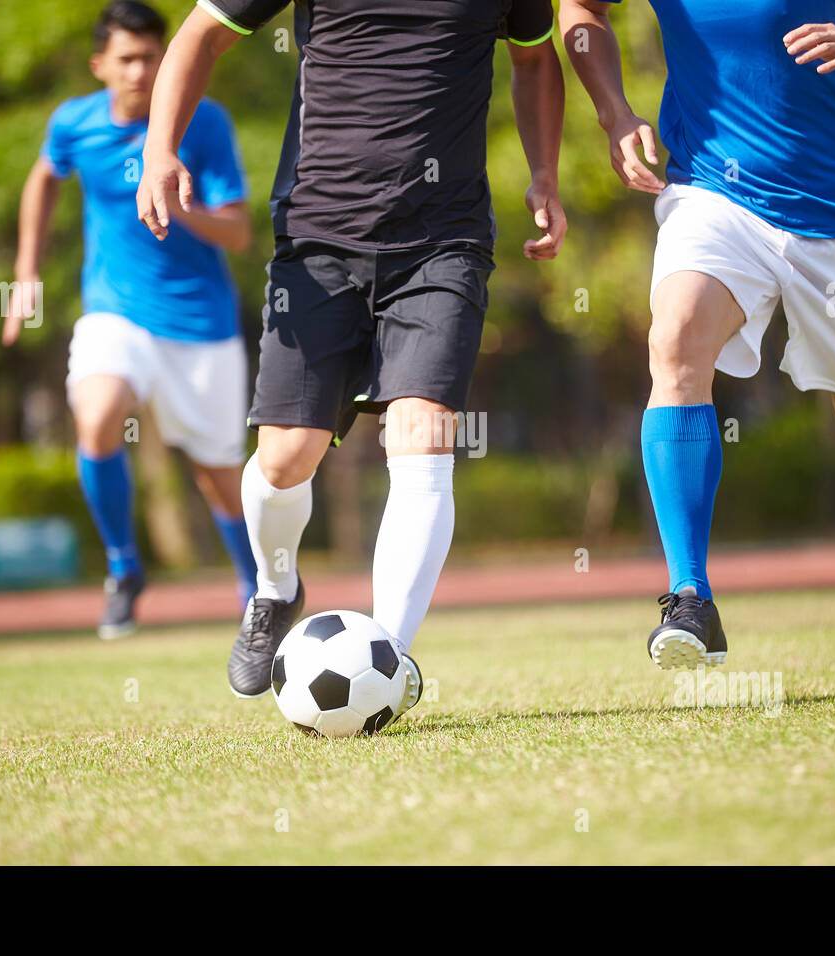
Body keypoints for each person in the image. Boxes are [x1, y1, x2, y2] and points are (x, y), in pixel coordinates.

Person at [137, 0, 567, 719]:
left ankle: (389, 659)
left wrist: (544, 173)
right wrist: (160, 148)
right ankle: (275, 590)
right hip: (317, 238)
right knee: (284, 459)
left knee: (423, 433)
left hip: (444, 241)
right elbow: (199, 35)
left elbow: (534, 58)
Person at [559, 0, 835, 685]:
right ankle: (690, 597)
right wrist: (614, 111)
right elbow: (580, 9)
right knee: (674, 343)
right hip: (714, 194)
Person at [3, 1, 259, 639]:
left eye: (152, 56)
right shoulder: (74, 123)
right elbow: (43, 178)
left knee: (219, 480)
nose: (141, 70)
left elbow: (240, 233)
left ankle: (258, 589)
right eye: (127, 58)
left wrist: (182, 204)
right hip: (115, 312)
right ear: (101, 66)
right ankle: (124, 566)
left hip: (202, 324)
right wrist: (26, 272)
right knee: (96, 415)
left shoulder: (204, 124)